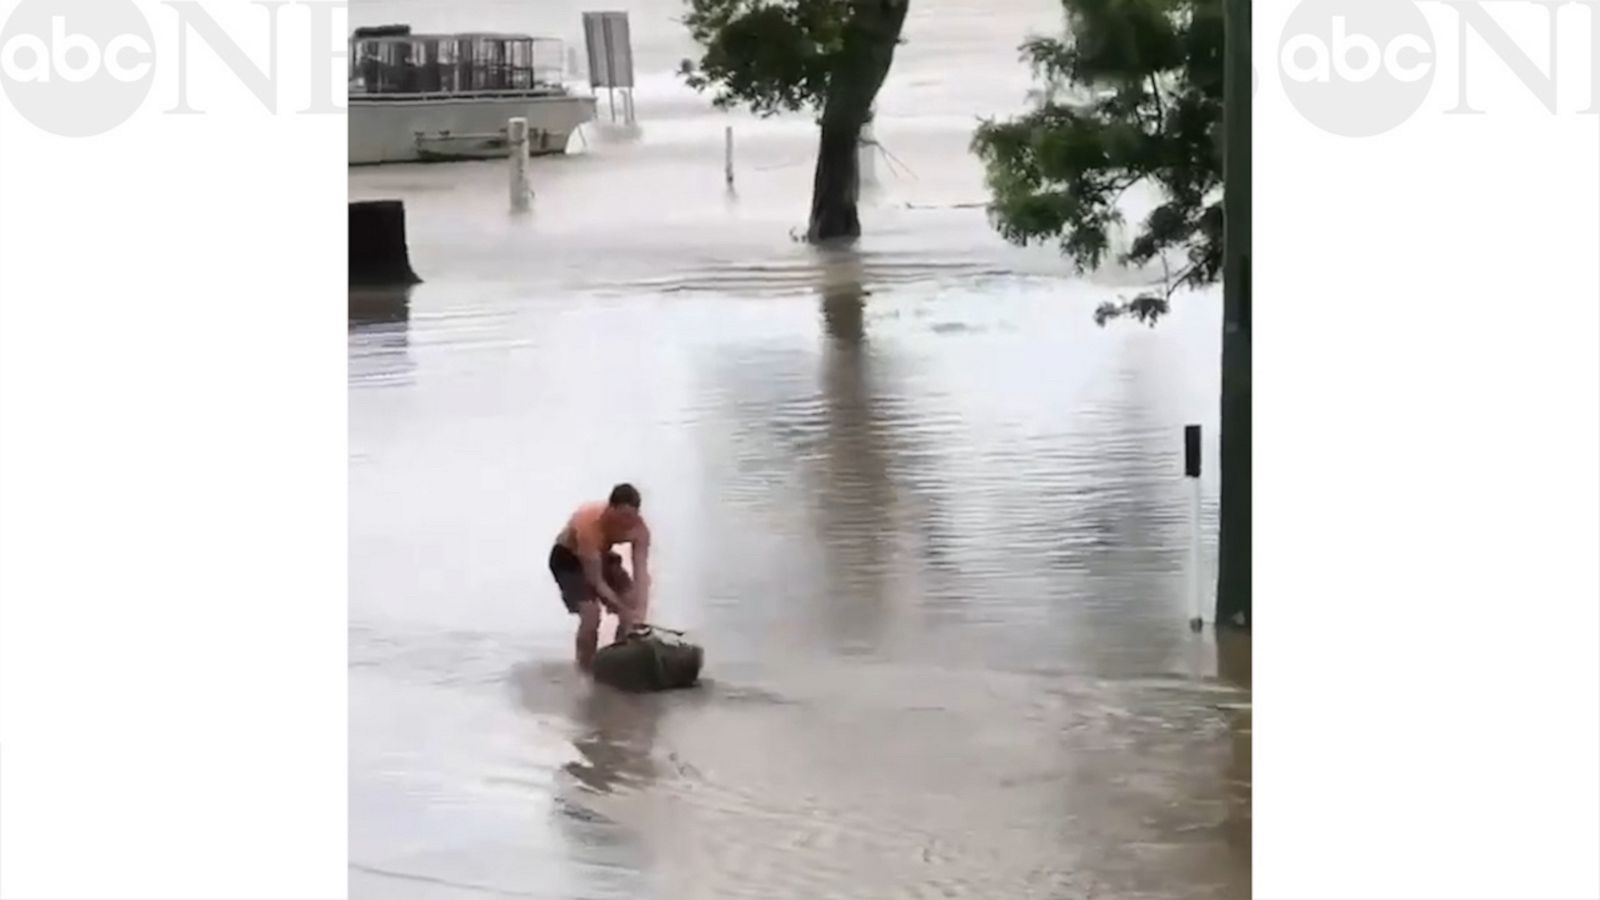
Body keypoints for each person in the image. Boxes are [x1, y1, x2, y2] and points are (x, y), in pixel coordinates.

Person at [548, 483, 652, 671]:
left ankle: (620, 661)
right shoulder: (589, 522)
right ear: (610, 509)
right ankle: (584, 669)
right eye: (621, 517)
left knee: (631, 599)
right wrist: (620, 607)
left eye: (630, 518)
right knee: (591, 614)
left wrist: (639, 612)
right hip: (568, 558)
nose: (625, 523)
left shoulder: (639, 529)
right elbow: (596, 581)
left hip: (601, 554)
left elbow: (641, 573)